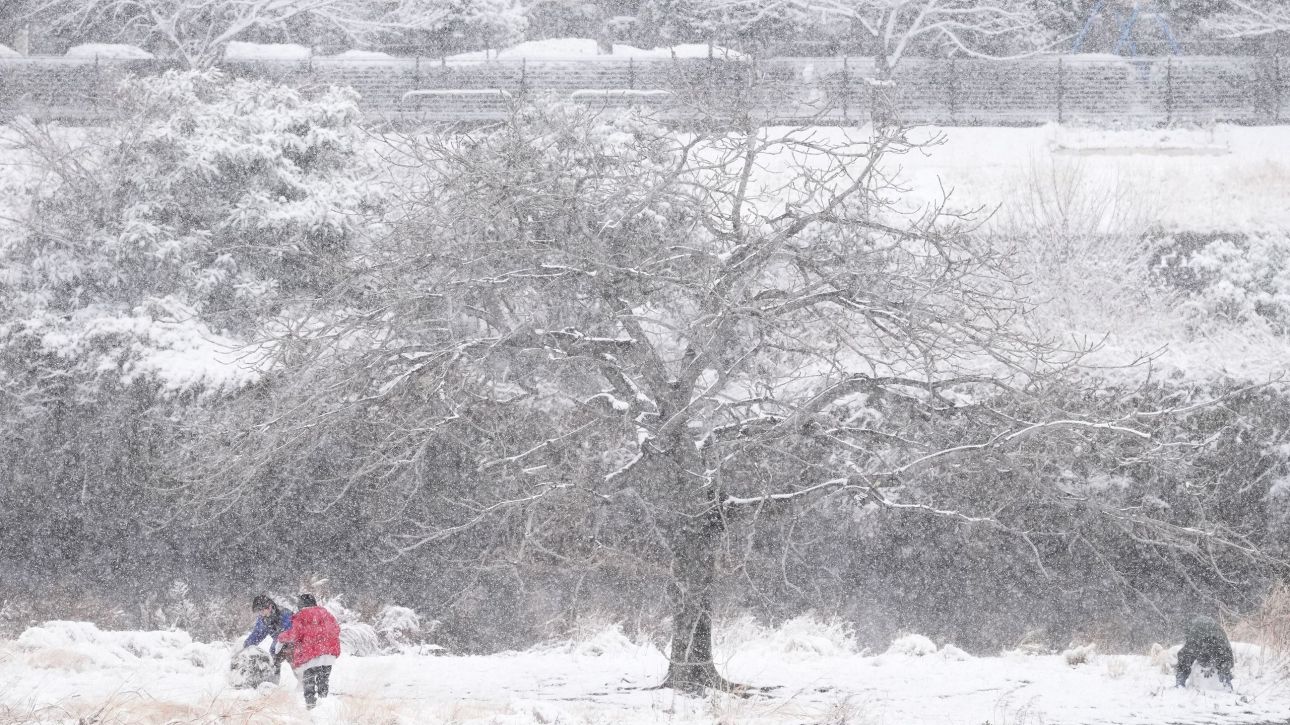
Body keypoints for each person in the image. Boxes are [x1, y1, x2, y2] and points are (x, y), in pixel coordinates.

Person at [278, 593, 342, 708]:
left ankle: (311, 707)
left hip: (311, 655)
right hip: (328, 655)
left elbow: (294, 635)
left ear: (301, 604)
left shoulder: (302, 615)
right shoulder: (326, 613)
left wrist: (281, 638)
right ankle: (324, 707)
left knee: (309, 682)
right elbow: (336, 629)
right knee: (323, 681)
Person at [1176, 615, 1234, 689]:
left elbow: (1185, 654)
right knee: (1224, 659)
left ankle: (1180, 682)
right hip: (1217, 636)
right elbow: (1227, 653)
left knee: (1185, 658)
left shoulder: (1193, 633)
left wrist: (1182, 671)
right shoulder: (1219, 640)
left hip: (1205, 635)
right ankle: (1227, 683)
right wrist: (1225, 669)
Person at [244, 594, 295, 670]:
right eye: (259, 611)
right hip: (278, 645)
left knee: (277, 650)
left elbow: (291, 632)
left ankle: (300, 673)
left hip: (294, 642)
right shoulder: (263, 619)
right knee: (273, 654)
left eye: (261, 610)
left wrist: (280, 643)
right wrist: (247, 645)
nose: (260, 613)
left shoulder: (285, 614)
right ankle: (274, 676)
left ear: (269, 607)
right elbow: (257, 633)